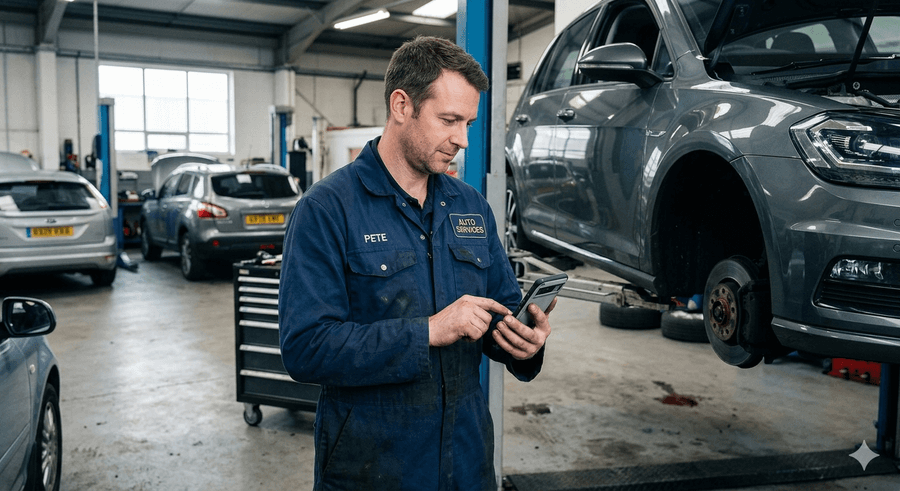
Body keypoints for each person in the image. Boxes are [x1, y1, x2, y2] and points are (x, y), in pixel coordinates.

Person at [278, 36, 554, 491]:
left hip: (466, 464)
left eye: (468, 122)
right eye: (449, 120)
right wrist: (428, 331)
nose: (462, 140)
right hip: (374, 468)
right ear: (401, 106)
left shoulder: (471, 208)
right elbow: (306, 348)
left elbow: (500, 313)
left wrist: (524, 344)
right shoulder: (327, 209)